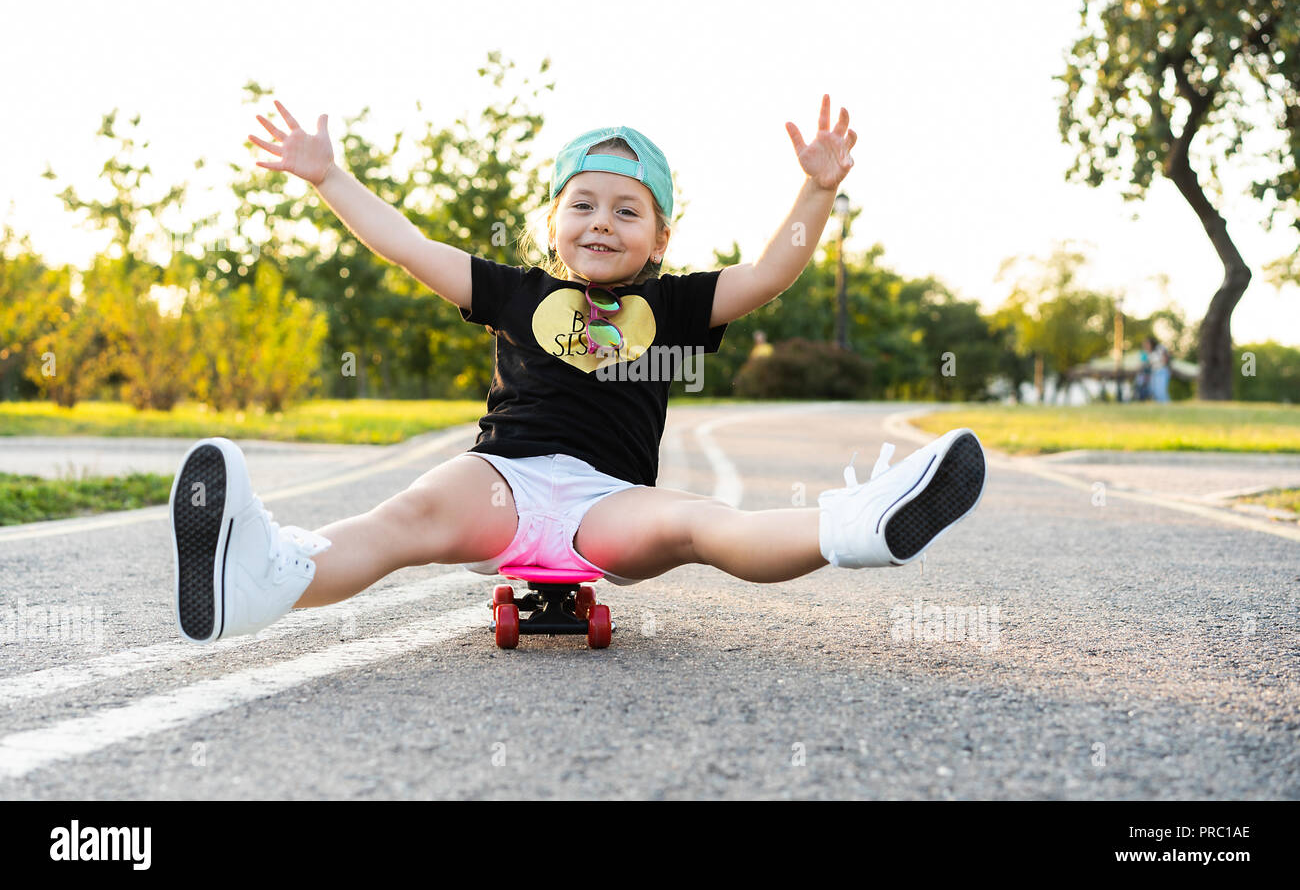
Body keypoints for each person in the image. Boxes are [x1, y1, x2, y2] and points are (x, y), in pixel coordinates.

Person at [169, 96, 989, 644]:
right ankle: (259, 578)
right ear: (555, 219)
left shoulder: (674, 305)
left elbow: (773, 271)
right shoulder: (516, 291)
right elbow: (407, 245)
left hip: (611, 504)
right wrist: (329, 176)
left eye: (628, 210)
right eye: (584, 204)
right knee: (406, 518)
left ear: (659, 237)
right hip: (502, 481)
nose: (603, 223)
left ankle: (859, 527)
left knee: (703, 523)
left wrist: (814, 191)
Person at [1145, 336, 1171, 403]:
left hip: (1162, 371)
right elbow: (1150, 363)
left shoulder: (1160, 348)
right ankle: (1159, 405)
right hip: (1154, 372)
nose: (1146, 346)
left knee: (1161, 390)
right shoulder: (1149, 352)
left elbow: (1165, 359)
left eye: (1147, 344)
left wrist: (1162, 362)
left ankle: (1166, 405)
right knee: (1154, 389)